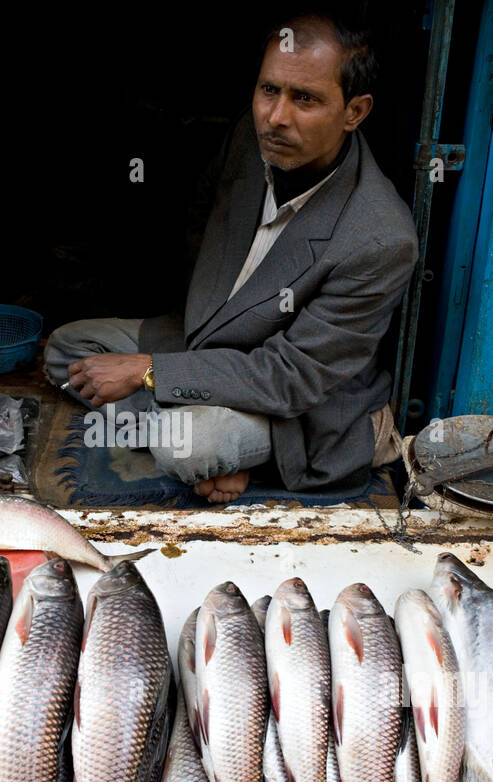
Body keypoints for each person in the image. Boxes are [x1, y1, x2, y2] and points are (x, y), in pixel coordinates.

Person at [44, 12, 417, 504]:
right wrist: (184, 364)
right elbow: (203, 219)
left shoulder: (380, 238)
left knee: (188, 447)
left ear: (355, 111)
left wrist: (149, 371)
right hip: (213, 342)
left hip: (299, 400)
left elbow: (292, 378)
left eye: (305, 99)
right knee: (68, 351)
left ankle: (245, 452)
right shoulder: (253, 136)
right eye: (269, 91)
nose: (277, 116)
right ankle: (213, 442)